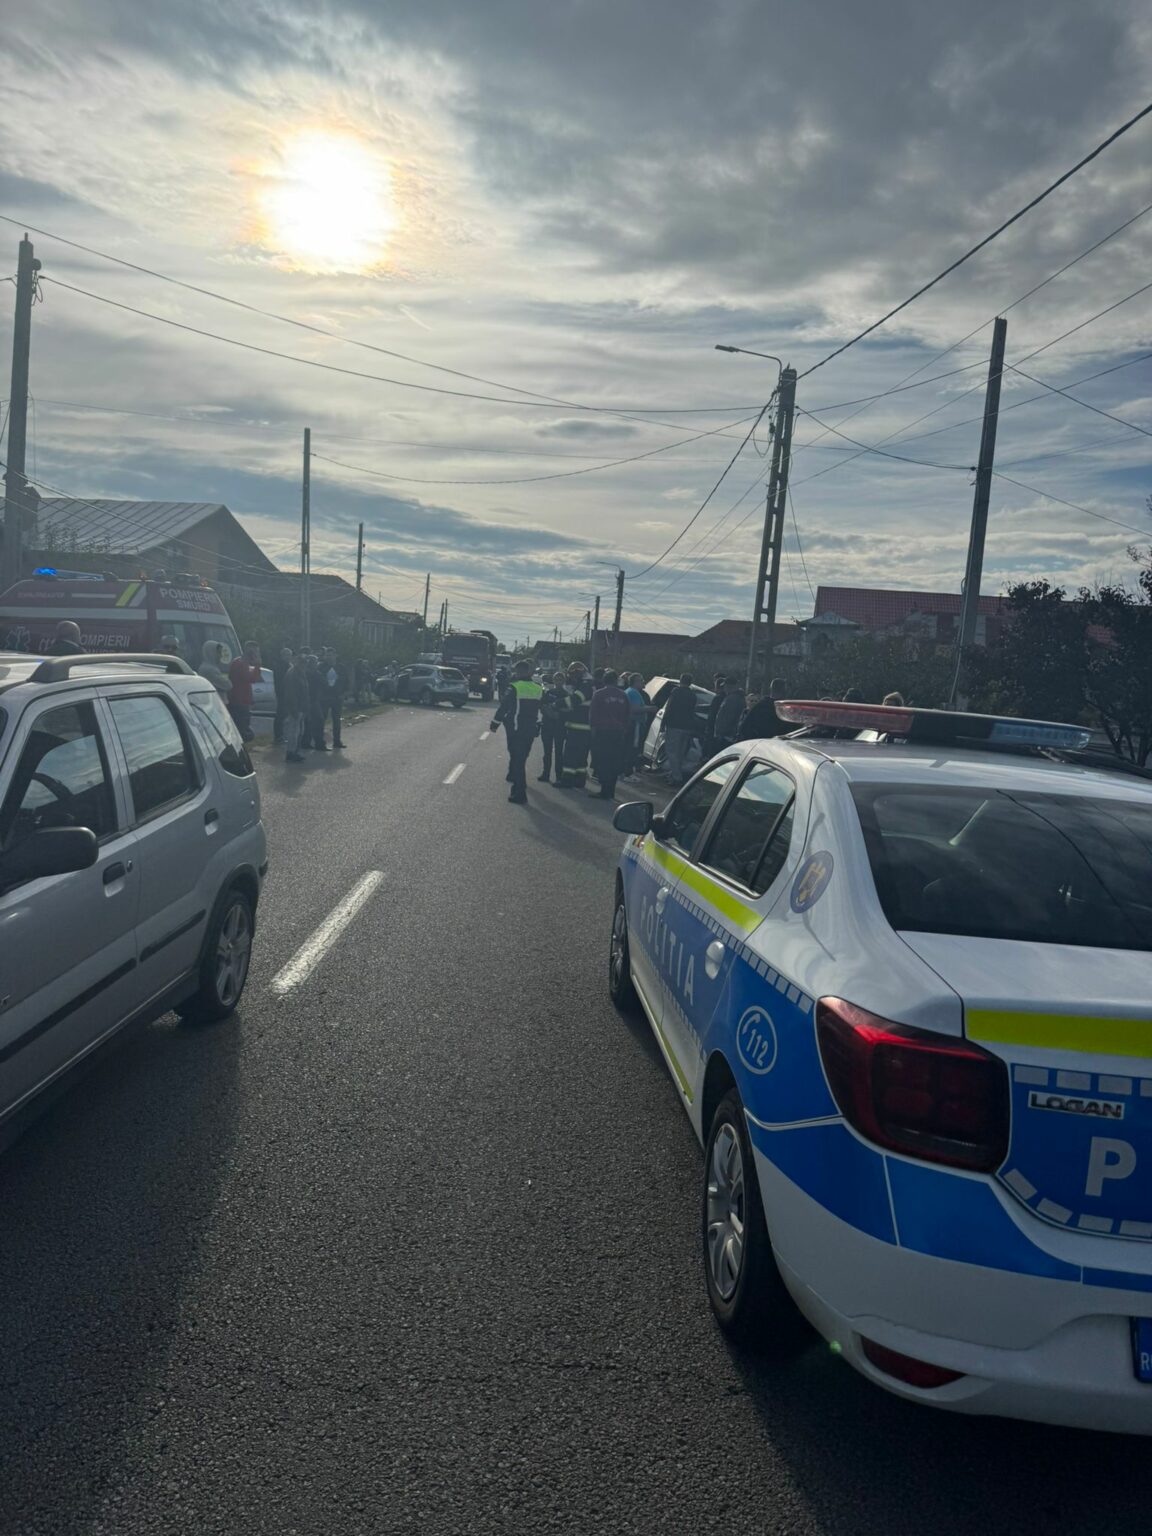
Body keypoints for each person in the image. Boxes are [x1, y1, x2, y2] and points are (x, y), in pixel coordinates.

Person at [492, 660, 543, 804]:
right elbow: (543, 708)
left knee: (517, 760)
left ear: (519, 672)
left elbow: (504, 707)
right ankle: (517, 786)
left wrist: (495, 723)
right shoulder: (538, 688)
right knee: (522, 758)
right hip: (530, 729)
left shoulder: (514, 687)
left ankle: (520, 793)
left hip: (516, 729)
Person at [589, 668, 631, 800]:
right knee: (614, 762)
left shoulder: (599, 694)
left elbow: (593, 714)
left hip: (602, 732)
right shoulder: (623, 695)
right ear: (616, 680)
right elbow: (628, 715)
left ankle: (604, 790)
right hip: (618, 733)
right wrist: (624, 730)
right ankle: (611, 790)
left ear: (604, 680)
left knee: (603, 761)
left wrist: (593, 731)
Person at [557, 662, 593, 788]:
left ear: (578, 673)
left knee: (570, 755)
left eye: (572, 675)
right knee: (581, 756)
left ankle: (567, 781)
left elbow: (575, 700)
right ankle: (579, 780)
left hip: (578, 727)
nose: (571, 678)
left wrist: (557, 704)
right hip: (584, 727)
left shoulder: (586, 685)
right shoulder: (587, 683)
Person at [662, 674, 698, 785]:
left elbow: (669, 707)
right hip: (687, 727)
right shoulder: (693, 695)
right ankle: (674, 774)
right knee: (681, 753)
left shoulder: (676, 692)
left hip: (674, 725)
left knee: (672, 751)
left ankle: (677, 777)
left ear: (680, 681)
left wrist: (663, 723)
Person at [227, 641, 262, 742]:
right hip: (239, 702)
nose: (256, 656)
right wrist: (257, 665)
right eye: (255, 653)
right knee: (242, 731)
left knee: (243, 727)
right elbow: (251, 678)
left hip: (242, 701)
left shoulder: (240, 662)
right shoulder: (240, 664)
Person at [538, 672, 567, 784]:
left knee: (559, 753)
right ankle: (545, 774)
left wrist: (558, 714)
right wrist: (549, 713)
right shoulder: (549, 693)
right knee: (547, 752)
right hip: (547, 725)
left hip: (560, 727)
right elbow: (541, 706)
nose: (558, 682)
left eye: (560, 679)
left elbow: (568, 710)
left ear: (564, 681)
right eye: (556, 679)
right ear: (553, 680)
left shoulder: (566, 695)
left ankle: (559, 777)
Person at [281, 653, 310, 763]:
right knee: (293, 731)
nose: (304, 664)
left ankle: (296, 751)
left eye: (305, 663)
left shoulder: (301, 673)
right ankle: (291, 752)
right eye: (302, 662)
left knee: (299, 731)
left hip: (301, 708)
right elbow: (291, 694)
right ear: (297, 662)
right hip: (295, 708)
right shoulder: (293, 674)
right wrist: (294, 709)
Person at [738, 677, 788, 741]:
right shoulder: (786, 709)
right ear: (784, 691)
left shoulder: (760, 706)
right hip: (779, 744)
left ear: (771, 689)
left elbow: (744, 728)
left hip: (760, 742)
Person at [624, 673, 649, 776]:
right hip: (635, 724)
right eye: (641, 680)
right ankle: (628, 773)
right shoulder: (633, 693)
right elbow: (635, 709)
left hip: (632, 724)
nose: (643, 682)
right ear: (635, 682)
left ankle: (626, 771)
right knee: (632, 748)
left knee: (630, 748)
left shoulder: (630, 691)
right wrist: (650, 708)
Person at [712, 678, 746, 751]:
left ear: (729, 686)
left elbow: (728, 717)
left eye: (725, 686)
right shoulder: (736, 697)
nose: (724, 689)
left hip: (726, 736)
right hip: (729, 734)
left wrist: (721, 733)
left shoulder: (732, 699)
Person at [322, 647, 346, 749]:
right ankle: (321, 741)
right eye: (327, 655)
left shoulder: (341, 667)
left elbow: (346, 681)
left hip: (337, 697)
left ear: (335, 656)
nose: (329, 657)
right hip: (325, 697)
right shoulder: (321, 667)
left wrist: (343, 693)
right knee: (322, 719)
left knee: (336, 720)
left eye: (331, 655)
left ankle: (337, 741)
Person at [304, 653, 328, 752]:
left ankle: (307, 742)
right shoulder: (310, 673)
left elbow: (324, 683)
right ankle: (318, 743)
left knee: (310, 722)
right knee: (318, 720)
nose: (316, 664)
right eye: (314, 662)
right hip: (310, 700)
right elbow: (324, 682)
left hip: (313, 699)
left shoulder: (313, 673)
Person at [272, 646, 294, 744]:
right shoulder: (280, 666)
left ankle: (283, 734)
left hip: (289, 693)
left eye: (289, 655)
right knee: (281, 715)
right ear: (282, 656)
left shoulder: (290, 665)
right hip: (282, 693)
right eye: (286, 655)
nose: (288, 657)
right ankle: (278, 736)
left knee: (286, 715)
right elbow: (280, 681)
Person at [702, 674, 726, 758]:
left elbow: (712, 713)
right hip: (720, 729)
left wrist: (708, 726)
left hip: (713, 727)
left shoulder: (718, 698)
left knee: (709, 748)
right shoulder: (726, 697)